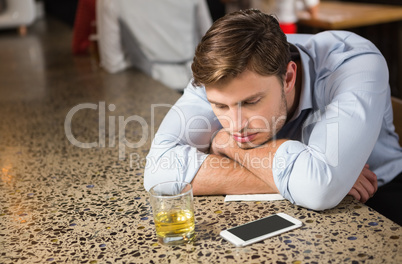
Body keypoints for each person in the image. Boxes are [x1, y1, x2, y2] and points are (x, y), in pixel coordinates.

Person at [144, 9, 402, 225]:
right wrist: (321, 176)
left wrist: (224, 143)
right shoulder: (215, 74)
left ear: (289, 77)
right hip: (301, 202)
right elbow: (159, 173)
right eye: (220, 107)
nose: (236, 126)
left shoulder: (352, 62)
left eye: (251, 101)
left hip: (377, 196)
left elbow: (320, 191)